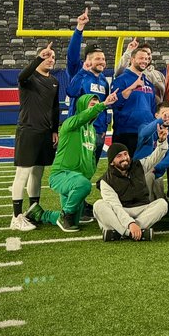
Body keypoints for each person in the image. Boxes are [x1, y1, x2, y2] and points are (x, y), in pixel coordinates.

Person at [28, 91, 119, 232]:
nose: (94, 107)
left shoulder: (92, 131)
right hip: (61, 175)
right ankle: (65, 214)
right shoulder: (71, 122)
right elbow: (84, 116)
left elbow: (90, 159)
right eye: (92, 104)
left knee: (74, 220)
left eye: (96, 104)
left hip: (76, 180)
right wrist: (103, 104)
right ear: (83, 106)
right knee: (83, 186)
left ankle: (39, 214)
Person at [10, 42, 61, 231]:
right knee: (22, 174)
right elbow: (21, 75)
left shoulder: (54, 81)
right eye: (47, 56)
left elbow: (55, 107)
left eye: (53, 57)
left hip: (45, 133)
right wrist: (39, 56)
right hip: (28, 130)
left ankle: (33, 211)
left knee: (37, 175)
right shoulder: (29, 78)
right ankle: (16, 217)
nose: (51, 60)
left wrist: (54, 130)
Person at [92, 140, 169, 242]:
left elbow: (155, 158)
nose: (124, 158)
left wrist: (162, 141)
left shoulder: (138, 166)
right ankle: (131, 233)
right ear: (111, 162)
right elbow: (116, 207)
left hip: (142, 209)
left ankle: (118, 233)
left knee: (162, 204)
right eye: (119, 156)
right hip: (121, 210)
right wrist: (130, 224)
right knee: (99, 205)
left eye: (125, 154)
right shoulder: (105, 181)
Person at [64, 7, 110, 161]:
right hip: (80, 131)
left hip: (98, 133)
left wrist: (104, 129)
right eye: (98, 58)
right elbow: (72, 54)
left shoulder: (103, 80)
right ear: (88, 60)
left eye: (103, 59)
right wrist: (79, 29)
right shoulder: (78, 71)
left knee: (90, 170)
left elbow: (103, 107)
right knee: (76, 169)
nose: (102, 61)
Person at [110, 44, 157, 155]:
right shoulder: (121, 80)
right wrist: (131, 87)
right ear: (132, 59)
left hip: (146, 132)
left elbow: (153, 109)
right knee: (124, 169)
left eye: (146, 59)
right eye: (141, 58)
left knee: (144, 170)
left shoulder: (149, 84)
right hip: (126, 132)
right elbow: (114, 103)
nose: (144, 61)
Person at [115, 39, 166, 106]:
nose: (147, 56)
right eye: (142, 55)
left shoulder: (159, 74)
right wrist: (129, 51)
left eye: (148, 54)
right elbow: (119, 71)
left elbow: (165, 95)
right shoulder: (130, 73)